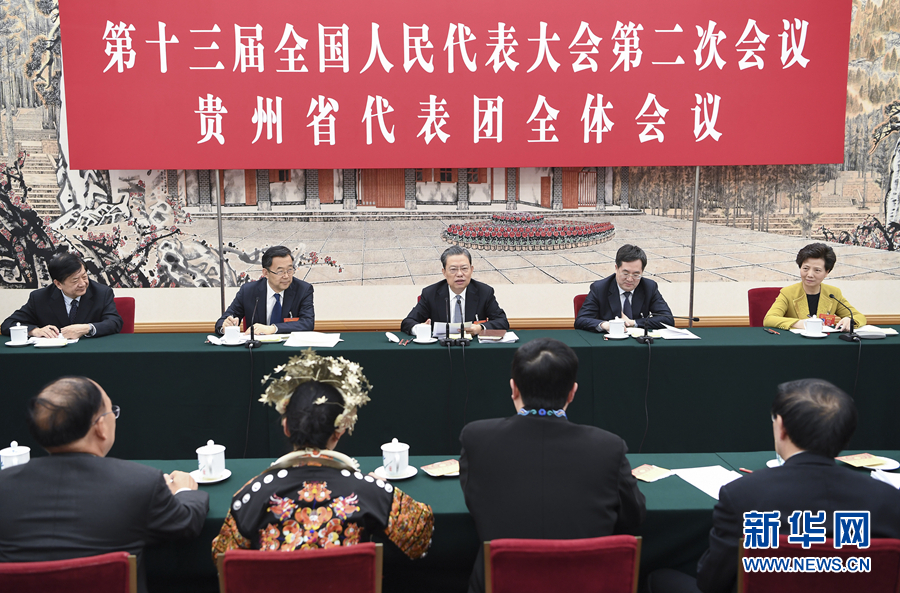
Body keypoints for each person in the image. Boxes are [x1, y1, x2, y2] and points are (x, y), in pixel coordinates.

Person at [651, 379, 900, 593]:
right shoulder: (887, 500)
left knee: (658, 577)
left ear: (781, 427)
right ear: (847, 435)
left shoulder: (742, 495)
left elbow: (711, 582)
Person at [459, 338, 646, 593]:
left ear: (514, 388)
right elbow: (634, 515)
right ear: (572, 392)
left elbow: (475, 502)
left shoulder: (476, 439)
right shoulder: (609, 447)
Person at [211, 350, 434, 559]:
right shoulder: (369, 491)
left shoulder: (253, 494)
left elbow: (223, 558)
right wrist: (382, 489)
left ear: (286, 427)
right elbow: (420, 538)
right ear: (340, 431)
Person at [0, 377, 209, 593]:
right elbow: (185, 524)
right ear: (101, 427)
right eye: (112, 411)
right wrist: (184, 490)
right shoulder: (140, 484)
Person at [1, 252, 122, 338]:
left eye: (84, 277)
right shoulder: (39, 298)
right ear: (58, 284)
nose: (82, 284)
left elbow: (115, 322)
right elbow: (8, 324)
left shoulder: (102, 293)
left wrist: (87, 328)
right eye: (75, 280)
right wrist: (34, 331)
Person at [401, 245, 509, 336]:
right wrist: (420, 328)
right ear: (444, 272)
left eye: (464, 268)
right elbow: (407, 322)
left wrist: (480, 328)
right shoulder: (430, 293)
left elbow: (502, 321)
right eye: (453, 269)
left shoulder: (484, 292)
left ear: (471, 270)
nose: (460, 274)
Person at [763, 242, 866, 331]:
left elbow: (859, 317)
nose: (810, 274)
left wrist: (850, 320)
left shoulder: (833, 293)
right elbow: (769, 319)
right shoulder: (788, 293)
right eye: (805, 268)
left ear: (827, 272)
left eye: (817, 270)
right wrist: (800, 323)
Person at [215, 245, 314, 335]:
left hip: (289, 347)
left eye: (290, 270)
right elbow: (223, 320)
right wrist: (225, 327)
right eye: (280, 271)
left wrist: (273, 328)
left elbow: (307, 323)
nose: (286, 276)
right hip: (258, 347)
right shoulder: (248, 291)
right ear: (266, 273)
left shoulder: (303, 290)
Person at [575, 244, 673, 332]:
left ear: (642, 272)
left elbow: (668, 319)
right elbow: (581, 320)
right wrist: (605, 325)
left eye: (636, 275)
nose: (630, 279)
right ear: (616, 268)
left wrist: (633, 323)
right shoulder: (600, 288)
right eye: (625, 273)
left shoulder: (649, 287)